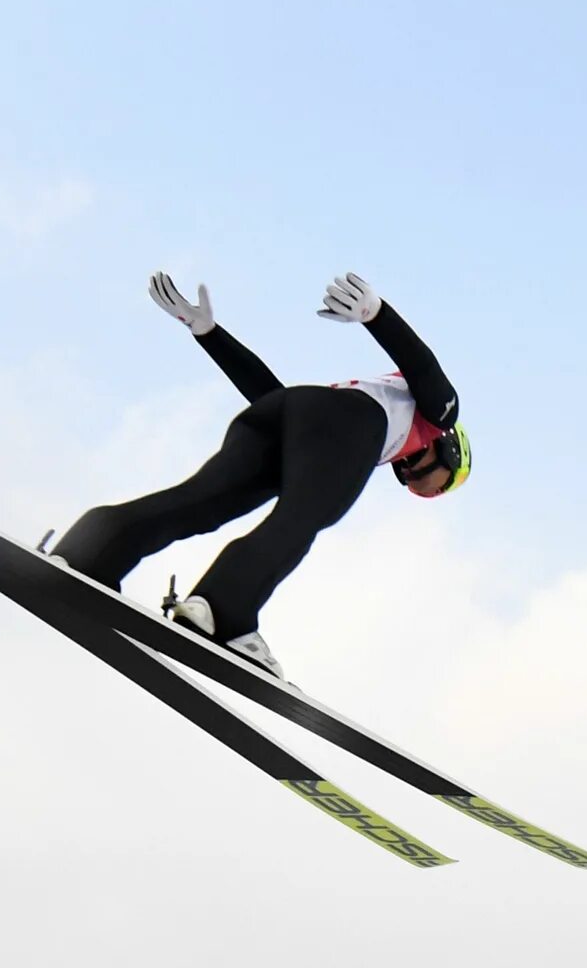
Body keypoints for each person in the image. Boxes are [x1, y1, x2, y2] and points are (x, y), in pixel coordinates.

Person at [53, 269, 472, 678]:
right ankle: (222, 609)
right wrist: (377, 314)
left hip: (281, 413)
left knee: (198, 502)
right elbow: (428, 373)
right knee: (300, 519)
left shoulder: (363, 404)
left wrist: (209, 334)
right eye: (435, 485)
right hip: (340, 425)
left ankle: (94, 548)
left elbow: (276, 400)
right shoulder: (437, 415)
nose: (413, 483)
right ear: (448, 450)